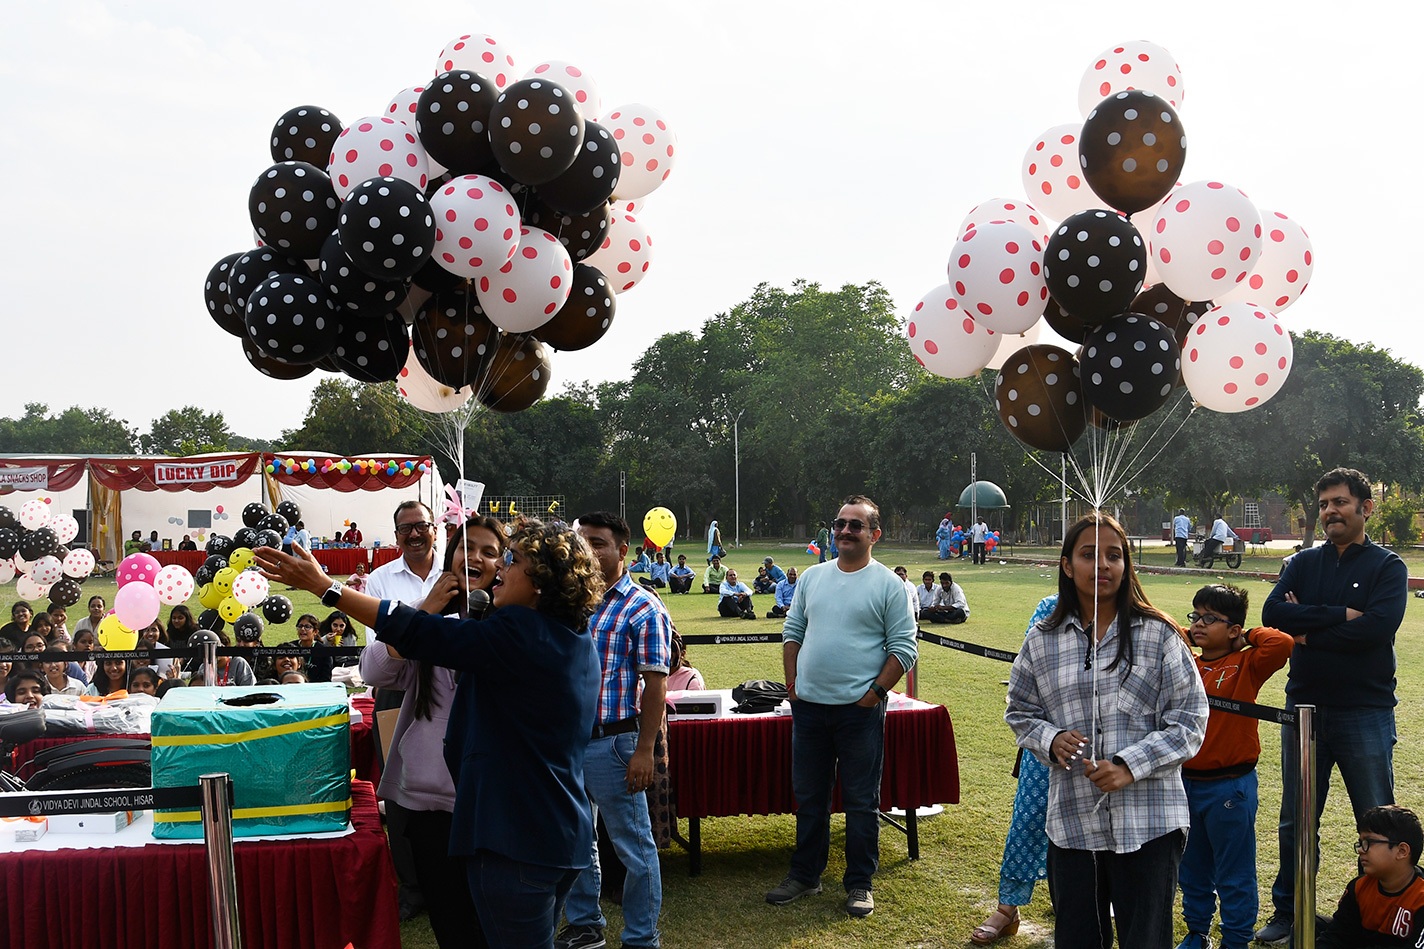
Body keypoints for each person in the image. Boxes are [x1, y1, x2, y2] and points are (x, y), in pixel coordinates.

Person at [257, 519, 603, 949]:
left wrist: (327, 588)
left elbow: (418, 631)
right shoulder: (573, 635)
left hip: (515, 839)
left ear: (540, 582)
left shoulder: (519, 634)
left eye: (511, 559)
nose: (501, 567)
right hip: (559, 833)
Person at [1005, 512, 1207, 948]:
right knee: (1078, 938)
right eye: (1088, 554)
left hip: (1149, 823)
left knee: (1146, 939)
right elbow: (1019, 709)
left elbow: (1190, 721)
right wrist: (1050, 739)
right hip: (1073, 822)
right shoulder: (1043, 639)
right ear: (1066, 565)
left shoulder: (1159, 634)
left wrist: (1129, 766)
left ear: (1126, 564)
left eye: (1114, 555)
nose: (1102, 565)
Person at [1256, 466, 1409, 944]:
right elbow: (1273, 613)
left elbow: (1377, 629)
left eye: (1340, 502)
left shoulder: (1387, 567)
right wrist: (1341, 615)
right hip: (1304, 711)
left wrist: (1308, 632)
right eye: (1324, 504)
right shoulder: (1303, 563)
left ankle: (1375, 919)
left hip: (1366, 711)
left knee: (1377, 822)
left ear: (1366, 507)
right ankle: (1290, 911)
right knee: (1296, 820)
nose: (1330, 512)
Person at [767, 495, 917, 919]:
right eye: (839, 523)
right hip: (809, 709)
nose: (845, 531)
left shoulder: (889, 585)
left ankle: (859, 883)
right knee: (810, 798)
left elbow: (904, 648)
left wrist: (873, 695)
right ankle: (805, 875)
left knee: (860, 801)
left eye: (855, 525)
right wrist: (793, 685)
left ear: (875, 534)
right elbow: (793, 630)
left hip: (859, 712)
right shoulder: (813, 577)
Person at [359, 514, 505, 949]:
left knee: (495, 921)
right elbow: (374, 670)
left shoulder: (514, 622)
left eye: (489, 551)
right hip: (429, 804)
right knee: (450, 921)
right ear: (451, 556)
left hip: (492, 801)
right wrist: (424, 613)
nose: (474, 558)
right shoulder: (425, 616)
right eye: (467, 548)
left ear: (504, 565)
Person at [557, 511, 672, 949]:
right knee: (576, 839)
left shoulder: (642, 606)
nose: (587, 550)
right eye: (582, 540)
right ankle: (585, 925)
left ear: (623, 550)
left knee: (634, 848)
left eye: (598, 543)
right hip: (568, 742)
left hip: (614, 743)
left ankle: (642, 937)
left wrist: (644, 750)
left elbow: (656, 684)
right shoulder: (571, 601)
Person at [1177, 584, 1293, 949]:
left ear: (1233, 629)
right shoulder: (1186, 660)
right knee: (1191, 868)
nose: (1199, 623)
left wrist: (1245, 636)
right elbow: (1163, 628)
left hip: (1230, 786)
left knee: (1234, 872)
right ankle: (1197, 932)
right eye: (1196, 616)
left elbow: (1282, 644)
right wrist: (1194, 633)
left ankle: (1236, 940)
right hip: (1185, 783)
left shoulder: (1246, 664)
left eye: (1210, 618)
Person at [972, 594, 1059, 946]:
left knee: (1095, 827)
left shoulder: (1129, 612)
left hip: (1105, 743)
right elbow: (1029, 668)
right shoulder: (1050, 607)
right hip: (1047, 739)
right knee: (1029, 819)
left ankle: (1078, 901)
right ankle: (1007, 909)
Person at [1316, 805, 1424, 948]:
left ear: (1402, 851)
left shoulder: (1420, 897)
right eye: (1361, 843)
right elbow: (1337, 935)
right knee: (1309, 924)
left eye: (1369, 842)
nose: (1361, 849)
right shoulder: (1359, 887)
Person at [367, 501, 442, 607]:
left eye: (422, 526)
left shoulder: (455, 572)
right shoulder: (378, 580)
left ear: (435, 532)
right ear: (397, 537)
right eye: (405, 528)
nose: (414, 534)